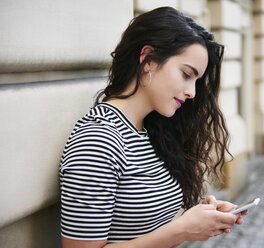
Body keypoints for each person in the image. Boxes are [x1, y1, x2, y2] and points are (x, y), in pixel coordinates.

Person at [59, 6, 247, 248]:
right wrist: (182, 230)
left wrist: (201, 217)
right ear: (148, 59)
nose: (192, 92)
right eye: (186, 74)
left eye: (196, 81)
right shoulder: (99, 140)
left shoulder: (150, 131)